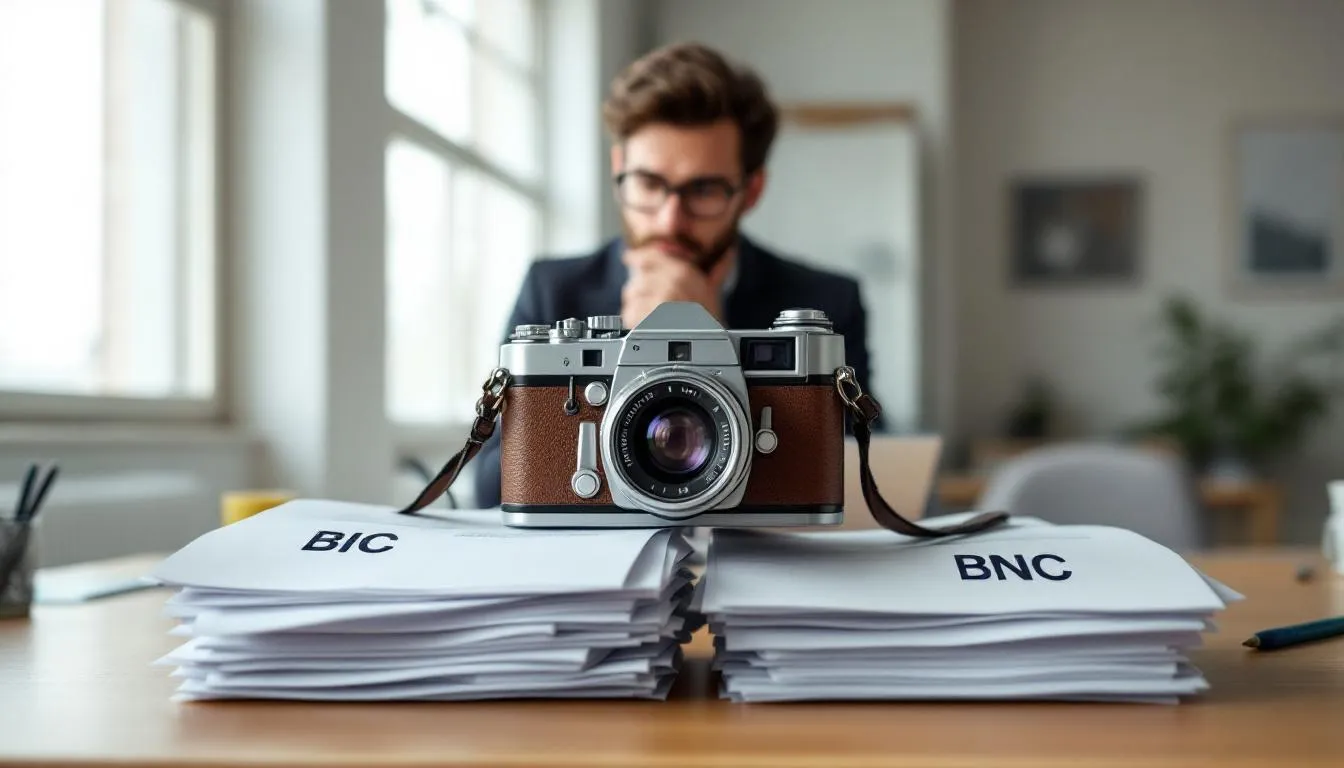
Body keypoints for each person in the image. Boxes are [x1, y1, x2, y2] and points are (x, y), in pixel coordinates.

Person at [471, 42, 874, 508]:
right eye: (648, 183)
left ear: (751, 190)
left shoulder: (827, 302)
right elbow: (487, 489)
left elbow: (871, 471)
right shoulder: (553, 290)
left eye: (702, 189)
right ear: (618, 168)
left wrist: (717, 341)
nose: (669, 220)